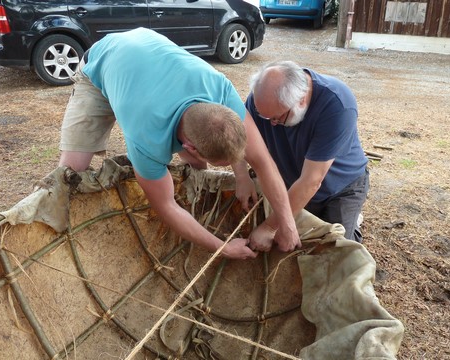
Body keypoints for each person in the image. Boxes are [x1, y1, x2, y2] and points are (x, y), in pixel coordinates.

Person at [58, 28, 300, 260]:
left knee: (198, 168)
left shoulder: (221, 91)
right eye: (224, 163)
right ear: (188, 147)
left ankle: (196, 209)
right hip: (100, 63)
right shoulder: (147, 138)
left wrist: (284, 222)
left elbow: (264, 163)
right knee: (69, 174)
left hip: (145, 56)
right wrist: (223, 249)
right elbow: (165, 206)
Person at [245, 60, 369, 251]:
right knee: (299, 241)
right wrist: (241, 175)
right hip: (294, 182)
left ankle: (352, 223)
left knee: (338, 248)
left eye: (277, 117)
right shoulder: (262, 101)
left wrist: (270, 227)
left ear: (301, 100)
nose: (272, 124)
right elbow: (240, 137)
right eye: (265, 117)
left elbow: (311, 181)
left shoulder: (337, 104)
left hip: (340, 187)